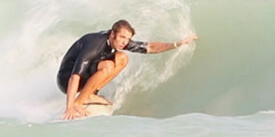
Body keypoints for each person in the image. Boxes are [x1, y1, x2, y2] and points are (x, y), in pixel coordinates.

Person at [57, 19, 196, 120]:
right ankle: (80, 101)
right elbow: (74, 76)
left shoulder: (119, 42)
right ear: (112, 34)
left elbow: (150, 47)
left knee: (122, 58)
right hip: (66, 79)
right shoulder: (94, 45)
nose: (125, 42)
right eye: (122, 37)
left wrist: (177, 44)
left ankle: (89, 94)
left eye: (128, 38)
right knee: (108, 65)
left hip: (84, 76)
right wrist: (69, 107)